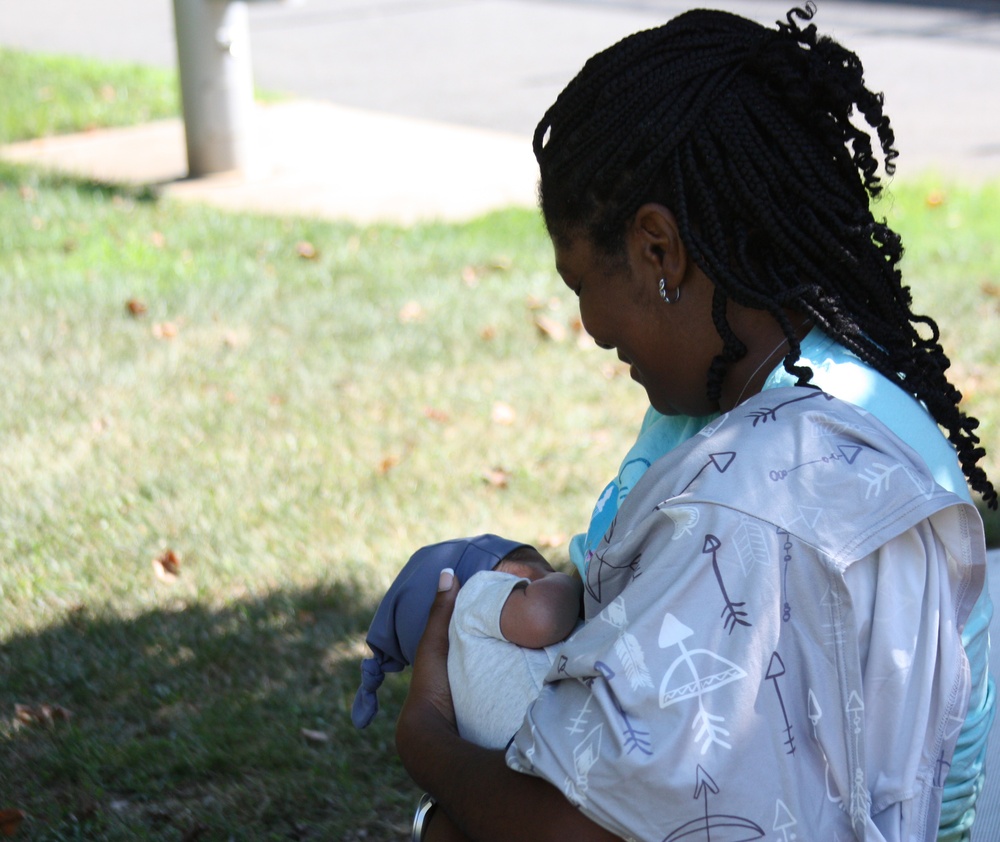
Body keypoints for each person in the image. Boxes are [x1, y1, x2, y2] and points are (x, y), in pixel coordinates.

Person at [394, 5, 996, 841]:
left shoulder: (757, 497)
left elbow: (573, 828)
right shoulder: (762, 393)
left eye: (579, 285)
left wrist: (424, 731)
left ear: (658, 251)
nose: (592, 330)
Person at [352, 534, 582, 749]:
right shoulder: (475, 596)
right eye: (543, 572)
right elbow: (542, 616)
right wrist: (567, 580)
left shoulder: (461, 723)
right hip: (566, 731)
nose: (548, 577)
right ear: (499, 576)